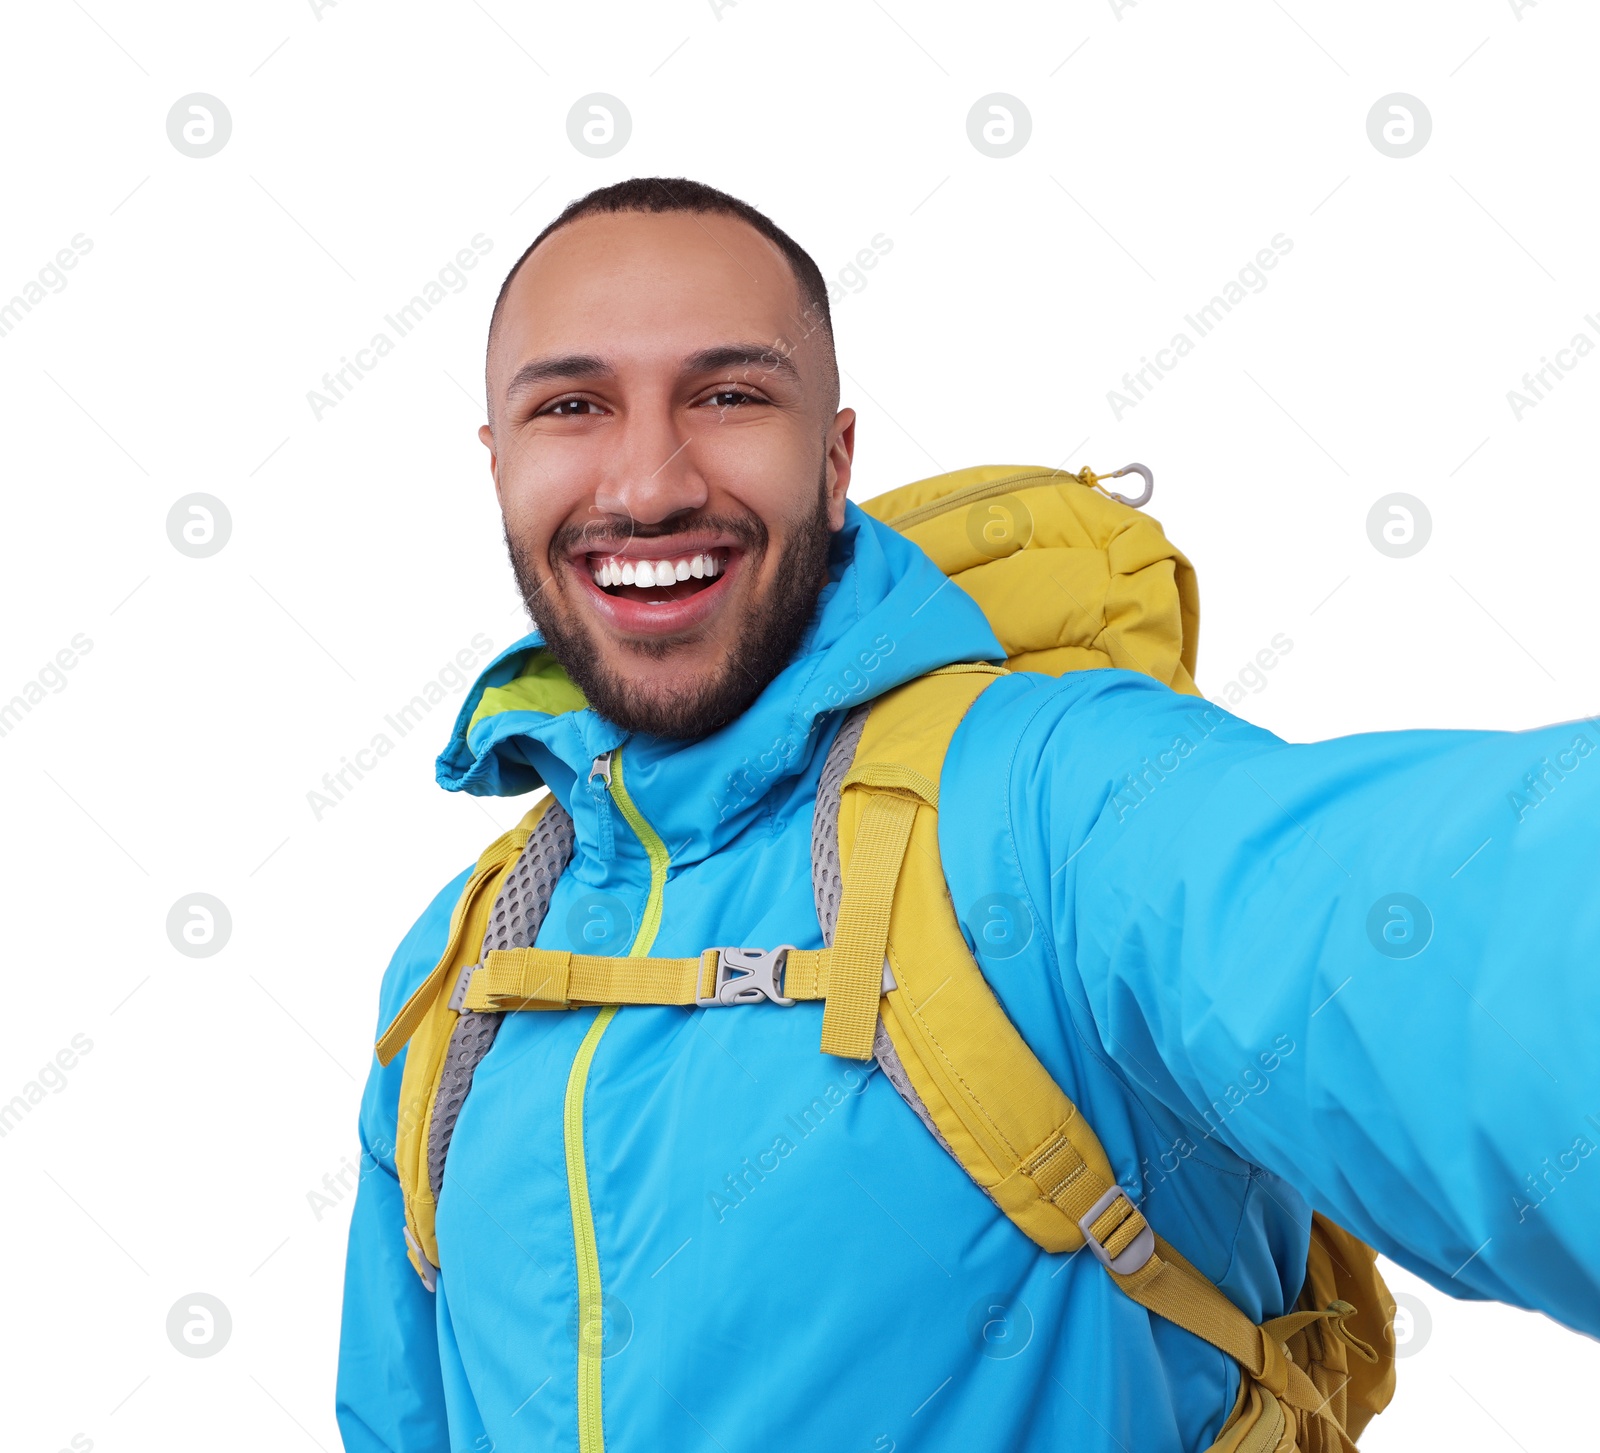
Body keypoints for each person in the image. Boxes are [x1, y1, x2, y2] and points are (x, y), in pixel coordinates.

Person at [335, 176, 1600, 1453]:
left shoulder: (1050, 802)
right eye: (572, 405)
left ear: (833, 463)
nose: (651, 483)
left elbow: (1447, 935)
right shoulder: (459, 981)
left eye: (727, 396)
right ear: (499, 463)